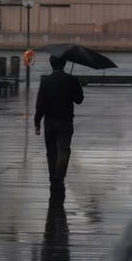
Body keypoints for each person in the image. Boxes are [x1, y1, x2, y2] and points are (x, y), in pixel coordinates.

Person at [35, 54, 85, 199]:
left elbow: (40, 104)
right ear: (64, 64)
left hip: (49, 121)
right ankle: (59, 177)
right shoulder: (71, 80)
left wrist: (37, 123)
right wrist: (77, 86)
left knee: (51, 152)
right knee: (64, 150)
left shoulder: (45, 80)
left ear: (51, 64)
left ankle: (53, 178)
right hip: (66, 122)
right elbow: (79, 100)